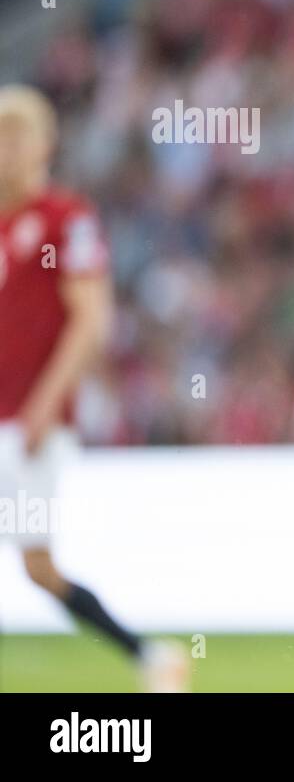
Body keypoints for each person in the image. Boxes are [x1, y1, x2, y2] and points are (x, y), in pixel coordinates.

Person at [0, 84, 188, 692]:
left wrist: (45, 404)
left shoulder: (65, 220)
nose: (6, 149)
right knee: (36, 567)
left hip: (28, 423)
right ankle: (150, 657)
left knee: (38, 567)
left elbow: (92, 317)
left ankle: (148, 655)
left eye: (17, 136)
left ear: (45, 146)